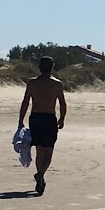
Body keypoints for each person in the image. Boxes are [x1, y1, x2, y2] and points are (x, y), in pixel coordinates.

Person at [18, 57, 67, 196]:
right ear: (52, 67)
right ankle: (40, 174)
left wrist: (20, 120)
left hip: (35, 118)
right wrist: (62, 119)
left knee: (40, 150)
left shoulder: (32, 83)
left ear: (39, 67)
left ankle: (40, 175)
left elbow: (25, 102)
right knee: (48, 151)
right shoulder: (57, 84)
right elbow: (62, 103)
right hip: (49, 118)